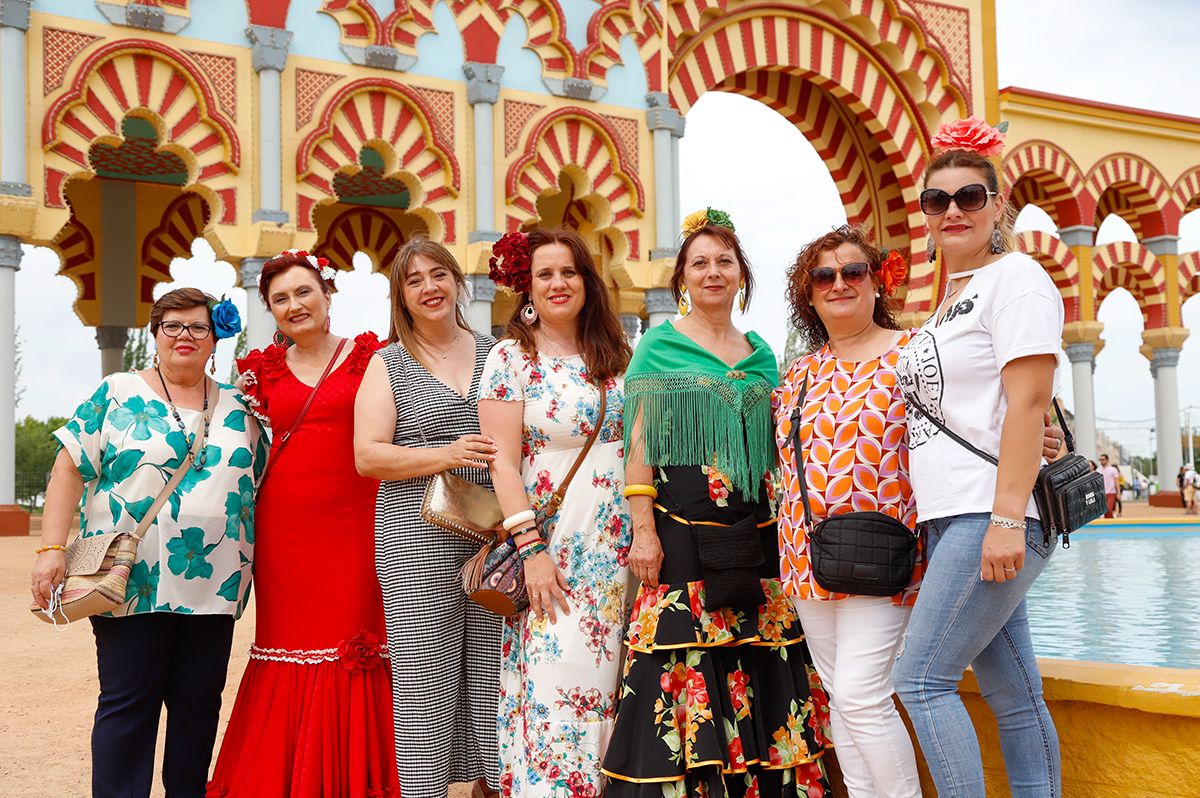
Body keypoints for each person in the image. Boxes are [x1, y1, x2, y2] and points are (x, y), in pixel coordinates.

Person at [602, 209, 832, 796]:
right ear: (683, 277)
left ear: (741, 276)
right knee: (680, 653)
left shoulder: (760, 353)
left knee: (760, 653)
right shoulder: (657, 347)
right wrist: (643, 531)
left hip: (756, 534)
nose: (713, 272)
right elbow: (640, 448)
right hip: (680, 532)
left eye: (724, 262)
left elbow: (782, 444)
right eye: (699, 262)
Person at [30, 288, 262, 798]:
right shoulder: (116, 392)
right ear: (155, 335)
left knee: (199, 707)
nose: (185, 336)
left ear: (215, 337)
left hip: (216, 587)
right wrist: (51, 551)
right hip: (131, 581)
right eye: (172, 325)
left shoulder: (243, 409)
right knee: (128, 704)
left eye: (198, 327)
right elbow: (68, 468)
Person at [892, 117, 1064, 797]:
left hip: (988, 513)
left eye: (970, 196)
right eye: (938, 200)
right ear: (926, 214)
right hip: (955, 513)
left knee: (922, 680)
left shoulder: (1015, 278)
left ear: (998, 206)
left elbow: (1028, 405)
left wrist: (1006, 519)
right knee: (1014, 692)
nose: (953, 210)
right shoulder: (952, 298)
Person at [207, 250, 398, 797]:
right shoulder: (259, 371)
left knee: (355, 642)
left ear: (327, 292)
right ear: (269, 310)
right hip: (285, 530)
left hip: (361, 522)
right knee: (288, 646)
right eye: (280, 299)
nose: (295, 305)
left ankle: (358, 778)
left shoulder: (372, 359)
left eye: (303, 292)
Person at [477, 228, 633, 796]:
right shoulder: (510, 357)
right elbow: (501, 465)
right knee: (557, 680)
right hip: (555, 547)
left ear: (587, 282)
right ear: (528, 287)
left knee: (611, 683)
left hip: (616, 552)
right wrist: (532, 552)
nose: (558, 283)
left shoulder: (615, 353)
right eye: (545, 274)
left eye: (568, 272)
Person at [773, 225, 924, 797]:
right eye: (824, 276)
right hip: (808, 555)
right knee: (842, 697)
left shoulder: (911, 354)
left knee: (863, 696)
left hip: (886, 549)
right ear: (808, 294)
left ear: (877, 283)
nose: (839, 283)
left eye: (853, 271)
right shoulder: (798, 374)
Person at [355, 237, 503, 798]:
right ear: (401, 296)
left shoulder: (498, 353)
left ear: (457, 282)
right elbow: (367, 456)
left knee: (495, 673)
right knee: (426, 681)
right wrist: (443, 455)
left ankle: (494, 785)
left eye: (438, 274)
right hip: (415, 538)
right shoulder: (388, 363)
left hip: (493, 537)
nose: (429, 288)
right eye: (414, 281)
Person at [1098, 453, 1120, 518]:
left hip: (1111, 493)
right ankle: (1108, 525)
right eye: (1100, 459)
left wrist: (1118, 492)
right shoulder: (1098, 470)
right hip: (1101, 493)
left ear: (1107, 460)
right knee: (1104, 511)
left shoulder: (1113, 469)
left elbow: (1117, 482)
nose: (1101, 461)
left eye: (1103, 459)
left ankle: (1110, 523)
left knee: (1109, 509)